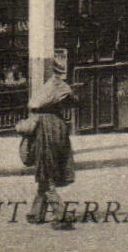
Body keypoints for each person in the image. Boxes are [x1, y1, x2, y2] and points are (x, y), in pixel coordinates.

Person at [17, 86, 76, 229]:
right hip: (57, 157)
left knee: (48, 185)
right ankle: (36, 214)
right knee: (43, 185)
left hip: (44, 157)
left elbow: (24, 128)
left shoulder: (39, 117)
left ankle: (61, 216)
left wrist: (18, 125)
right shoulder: (59, 119)